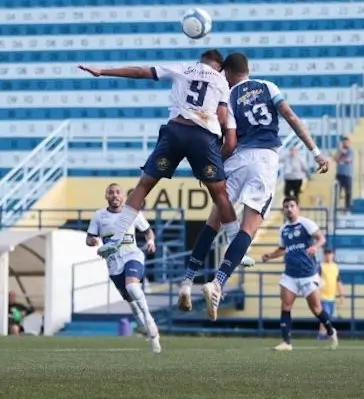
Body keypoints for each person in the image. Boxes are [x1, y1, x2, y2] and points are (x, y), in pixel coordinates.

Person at [178, 52, 329, 321]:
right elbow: (292, 118)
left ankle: (187, 281)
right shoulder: (268, 86)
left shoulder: (227, 95)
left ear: (228, 73)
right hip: (265, 160)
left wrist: (209, 166)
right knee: (248, 228)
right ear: (247, 69)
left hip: (236, 160)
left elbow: (223, 137)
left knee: (214, 221)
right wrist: (315, 151)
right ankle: (219, 282)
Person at [78, 49, 240, 266]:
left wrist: (102, 71)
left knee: (144, 184)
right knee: (219, 193)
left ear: (200, 60)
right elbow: (221, 117)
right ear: (219, 66)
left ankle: (116, 238)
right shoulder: (221, 80)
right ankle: (237, 248)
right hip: (202, 138)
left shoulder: (183, 67)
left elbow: (140, 72)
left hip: (175, 132)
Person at [86, 183, 161, 353]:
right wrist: (93, 241)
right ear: (106, 196)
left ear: (123, 196)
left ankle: (149, 320)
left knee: (132, 286)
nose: (115, 195)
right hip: (114, 264)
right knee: (131, 302)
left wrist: (150, 241)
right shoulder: (99, 216)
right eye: (111, 193)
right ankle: (149, 332)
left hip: (132, 256)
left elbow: (148, 231)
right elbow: (89, 238)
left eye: (118, 192)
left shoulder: (132, 213)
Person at [261, 196, 338, 350]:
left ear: (298, 208)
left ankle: (330, 331)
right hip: (290, 274)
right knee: (286, 305)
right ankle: (286, 342)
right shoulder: (283, 229)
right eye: (286, 207)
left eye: (291, 206)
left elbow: (321, 239)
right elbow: (283, 249)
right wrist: (270, 255)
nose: (289, 209)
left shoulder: (306, 224)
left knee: (316, 309)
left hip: (308, 274)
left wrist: (315, 247)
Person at [317, 248, 345, 339]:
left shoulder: (335, 267)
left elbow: (338, 281)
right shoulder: (321, 266)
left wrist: (342, 295)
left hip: (331, 297)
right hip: (322, 296)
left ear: (333, 255)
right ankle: (322, 334)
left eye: (330, 253)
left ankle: (324, 334)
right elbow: (316, 280)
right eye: (327, 254)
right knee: (325, 316)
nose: (328, 255)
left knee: (328, 317)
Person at [334, 136, 354, 210]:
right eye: (344, 142)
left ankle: (347, 207)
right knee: (337, 192)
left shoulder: (351, 151)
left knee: (348, 192)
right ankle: (336, 207)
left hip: (347, 174)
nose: (345, 144)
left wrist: (340, 159)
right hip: (339, 174)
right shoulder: (339, 150)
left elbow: (348, 160)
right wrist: (340, 152)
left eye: (346, 142)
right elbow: (335, 158)